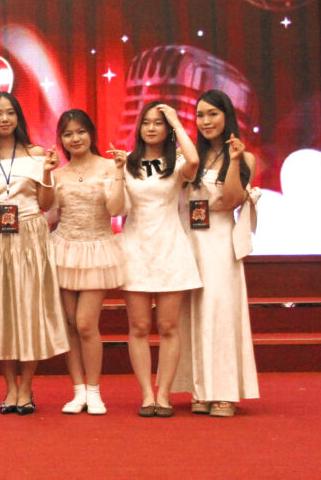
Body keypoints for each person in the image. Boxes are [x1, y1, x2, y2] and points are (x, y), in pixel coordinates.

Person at [0, 91, 67, 415]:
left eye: (10, 112)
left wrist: (48, 173)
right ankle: (10, 387)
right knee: (3, 313)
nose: (4, 119)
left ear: (19, 117)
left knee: (29, 310)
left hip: (30, 236)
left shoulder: (36, 153)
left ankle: (26, 387)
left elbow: (46, 204)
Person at [172, 90, 259, 417]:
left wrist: (234, 161)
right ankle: (200, 389)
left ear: (227, 116)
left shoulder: (244, 158)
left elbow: (231, 200)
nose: (206, 121)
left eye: (213, 114)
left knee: (220, 314)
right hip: (188, 241)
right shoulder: (187, 156)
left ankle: (223, 392)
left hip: (221, 244)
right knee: (193, 315)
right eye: (200, 115)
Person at [116, 100, 201, 417]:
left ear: (167, 129)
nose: (151, 128)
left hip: (170, 249)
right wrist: (116, 172)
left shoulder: (177, 162)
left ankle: (164, 394)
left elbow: (194, 160)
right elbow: (117, 207)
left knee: (168, 326)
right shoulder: (127, 163)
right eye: (146, 122)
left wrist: (177, 122)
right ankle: (146, 395)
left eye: (158, 123)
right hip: (135, 249)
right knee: (138, 326)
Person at [49, 109, 126, 415]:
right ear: (61, 140)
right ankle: (78, 391)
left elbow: (116, 209)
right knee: (70, 325)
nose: (75, 138)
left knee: (85, 323)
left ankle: (94, 391)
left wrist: (120, 172)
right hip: (64, 250)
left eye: (80, 131)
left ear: (91, 133)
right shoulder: (58, 174)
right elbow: (51, 215)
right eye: (68, 134)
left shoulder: (109, 166)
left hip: (97, 249)